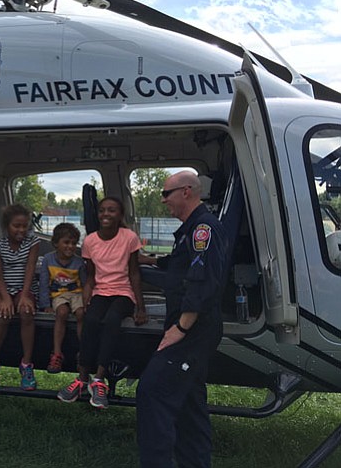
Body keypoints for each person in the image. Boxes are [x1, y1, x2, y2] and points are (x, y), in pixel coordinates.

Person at [136, 171, 229, 468]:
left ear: (186, 192)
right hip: (191, 327)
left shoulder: (204, 229)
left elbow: (202, 283)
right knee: (190, 405)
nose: (164, 201)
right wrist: (150, 260)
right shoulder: (191, 230)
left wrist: (180, 327)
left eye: (166, 194)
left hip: (193, 329)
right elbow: (180, 265)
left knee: (152, 392)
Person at [58, 196, 147, 409]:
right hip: (101, 291)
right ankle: (82, 379)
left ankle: (99, 380)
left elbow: (134, 273)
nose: (106, 214)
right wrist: (84, 298)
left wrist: (140, 307)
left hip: (123, 293)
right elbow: (91, 277)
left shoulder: (129, 237)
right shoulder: (90, 241)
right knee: (91, 320)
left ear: (120, 216)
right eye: (102, 210)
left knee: (112, 320)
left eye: (112, 210)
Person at [0, 204, 40, 390]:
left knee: (26, 312)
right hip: (2, 289)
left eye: (24, 226)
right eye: (16, 226)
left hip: (25, 288)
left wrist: (24, 295)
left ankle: (26, 365)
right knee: (4, 313)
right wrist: (6, 298)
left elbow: (30, 270)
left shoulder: (33, 243)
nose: (21, 230)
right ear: (7, 225)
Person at [38, 222, 86, 373]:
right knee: (62, 313)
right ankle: (57, 353)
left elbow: (84, 284)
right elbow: (44, 283)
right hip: (58, 294)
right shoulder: (48, 259)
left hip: (76, 293)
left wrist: (87, 300)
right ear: (55, 243)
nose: (70, 246)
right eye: (66, 242)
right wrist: (45, 304)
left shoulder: (79, 262)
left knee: (81, 313)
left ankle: (83, 353)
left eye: (73, 243)